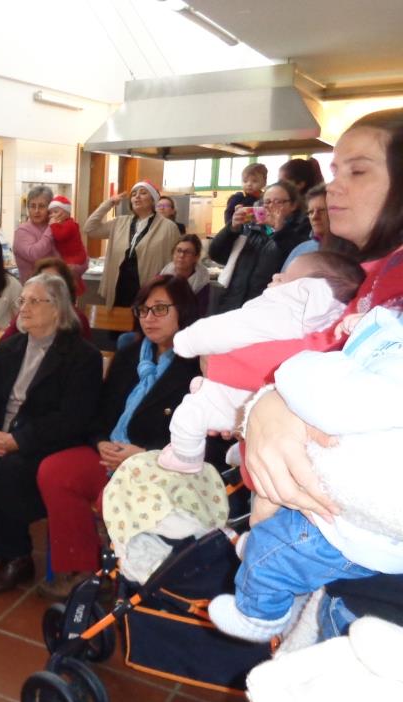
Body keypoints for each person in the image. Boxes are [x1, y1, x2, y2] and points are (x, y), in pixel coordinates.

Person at [210, 109, 403, 640]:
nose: (333, 186)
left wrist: (273, 398)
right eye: (335, 169)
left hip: (380, 600)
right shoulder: (377, 274)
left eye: (358, 171)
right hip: (353, 568)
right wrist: (269, 405)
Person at [209, 304, 403, 642]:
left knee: (275, 553)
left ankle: (258, 616)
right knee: (278, 537)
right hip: (354, 559)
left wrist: (278, 392)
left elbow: (313, 383)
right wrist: (267, 409)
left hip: (356, 549)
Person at [36, 275, 202, 599]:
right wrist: (100, 441)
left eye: (160, 309)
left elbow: (201, 440)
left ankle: (127, 579)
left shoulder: (196, 366)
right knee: (55, 471)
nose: (149, 318)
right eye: (143, 310)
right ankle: (83, 570)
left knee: (111, 499)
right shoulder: (129, 355)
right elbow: (100, 411)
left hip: (159, 465)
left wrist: (143, 454)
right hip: (112, 452)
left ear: (183, 311)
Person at [0, 274, 103, 594]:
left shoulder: (81, 356)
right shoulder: (11, 347)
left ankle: (17, 557)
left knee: (7, 474)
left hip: (44, 442)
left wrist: (18, 440)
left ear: (57, 309)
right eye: (22, 301)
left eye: (34, 301)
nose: (24, 308)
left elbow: (72, 418)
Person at [158, 251, 365, 474]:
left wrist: (187, 341)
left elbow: (226, 328)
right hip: (271, 402)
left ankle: (185, 457)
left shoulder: (278, 311)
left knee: (190, 412)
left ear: (303, 290)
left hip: (240, 395)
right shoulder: (330, 320)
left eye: (284, 278)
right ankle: (247, 447)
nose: (275, 276)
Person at [209, 181, 309, 313]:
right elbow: (216, 254)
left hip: (267, 309)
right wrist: (232, 228)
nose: (271, 206)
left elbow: (294, 263)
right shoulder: (251, 229)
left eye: (278, 202)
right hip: (233, 305)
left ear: (293, 205)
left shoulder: (300, 233)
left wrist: (279, 230)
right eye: (267, 202)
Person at [85, 180, 181, 308]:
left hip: (147, 288)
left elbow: (175, 261)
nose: (137, 196)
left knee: (145, 318)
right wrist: (109, 203)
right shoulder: (120, 222)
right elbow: (90, 229)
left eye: (143, 193)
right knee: (118, 319)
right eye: (134, 194)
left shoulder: (168, 227)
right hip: (119, 287)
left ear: (153, 200)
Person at [0, 257, 91, 341]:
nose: (47, 284)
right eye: (41, 279)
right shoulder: (25, 313)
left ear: (65, 286)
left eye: (54, 281)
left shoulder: (77, 318)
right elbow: (4, 344)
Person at [13, 185, 59, 283]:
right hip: (33, 289)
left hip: (59, 286)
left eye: (42, 206)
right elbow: (34, 255)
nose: (36, 211)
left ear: (50, 208)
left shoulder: (58, 227)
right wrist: (51, 228)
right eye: (33, 206)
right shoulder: (22, 231)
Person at [160, 235, 210, 318]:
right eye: (178, 250)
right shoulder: (164, 274)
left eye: (188, 252)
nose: (181, 255)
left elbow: (200, 313)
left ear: (196, 257)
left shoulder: (201, 281)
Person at [47, 195, 88, 294]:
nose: (52, 215)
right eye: (51, 213)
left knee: (68, 276)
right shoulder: (63, 224)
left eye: (56, 212)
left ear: (66, 212)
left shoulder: (70, 224)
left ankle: (75, 291)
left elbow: (60, 236)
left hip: (75, 257)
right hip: (69, 256)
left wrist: (53, 225)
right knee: (70, 276)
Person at [283, 184, 329, 270]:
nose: (314, 217)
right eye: (311, 212)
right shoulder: (300, 250)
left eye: (321, 211)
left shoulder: (348, 251)